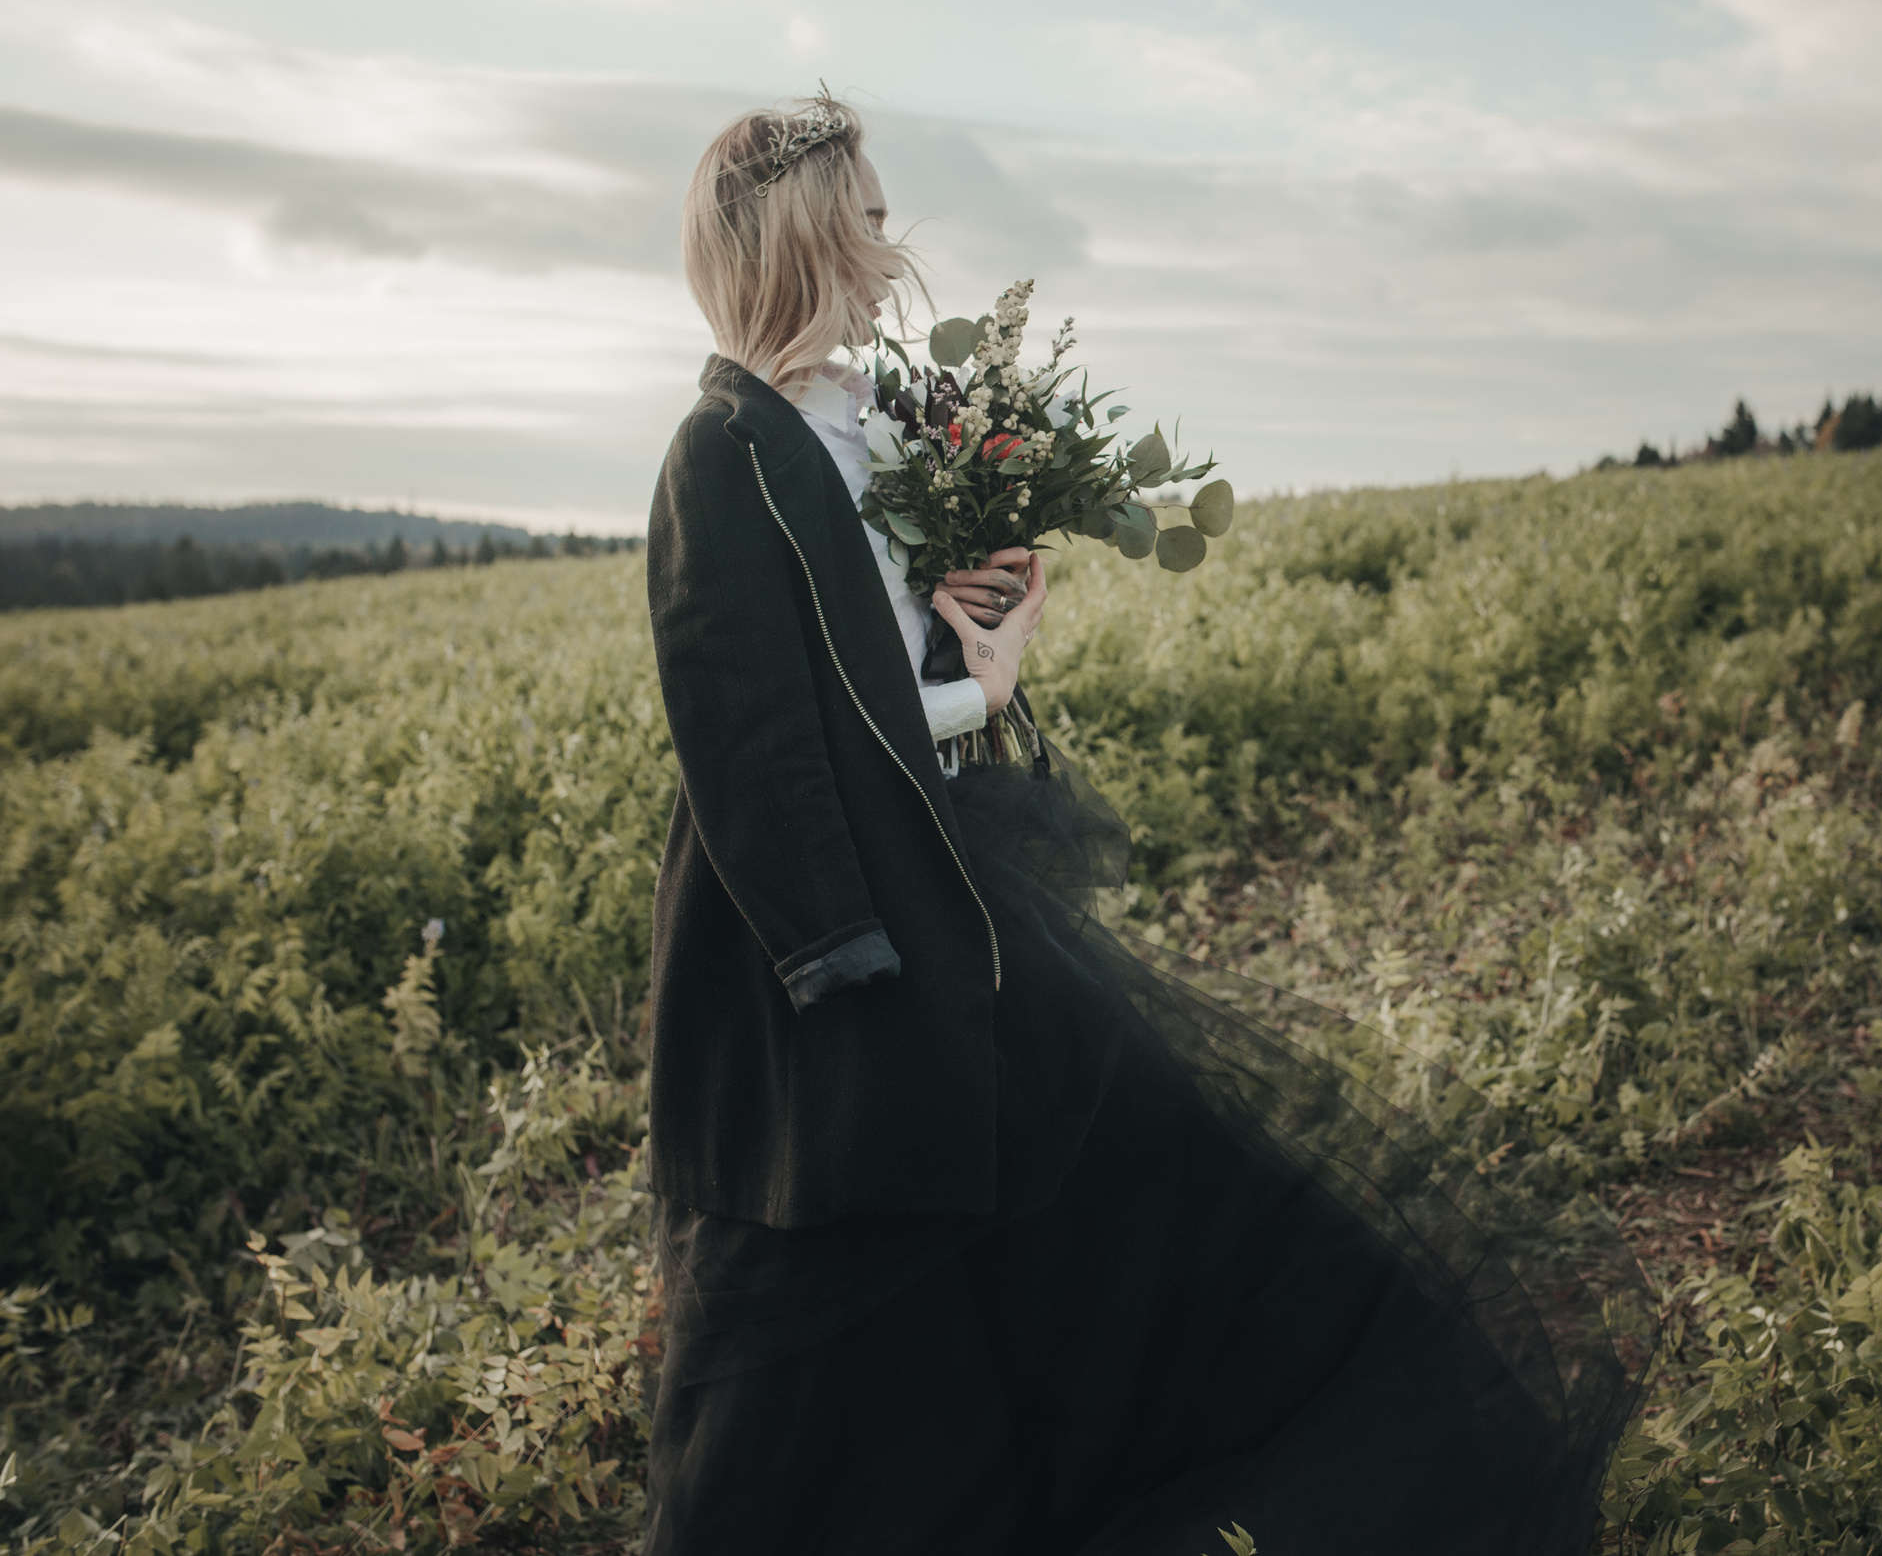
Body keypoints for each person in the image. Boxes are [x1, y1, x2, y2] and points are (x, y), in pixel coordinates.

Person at [641, 91, 1647, 1555]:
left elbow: (875, 665)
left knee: (1151, 1186)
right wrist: (884, 859)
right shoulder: (722, 448)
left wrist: (970, 634)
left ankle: (1410, 1466)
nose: (888, 247)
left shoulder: (860, 421)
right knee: (847, 1285)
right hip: (815, 932)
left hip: (932, 878)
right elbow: (751, 734)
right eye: (863, 218)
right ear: (795, 236)